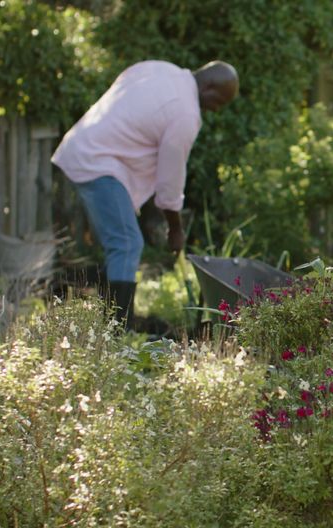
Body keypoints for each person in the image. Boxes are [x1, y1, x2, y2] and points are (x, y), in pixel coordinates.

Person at [52, 60, 239, 329]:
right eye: (219, 101)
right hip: (98, 162)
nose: (217, 109)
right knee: (127, 244)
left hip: (85, 148)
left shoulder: (159, 69)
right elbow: (170, 181)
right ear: (208, 86)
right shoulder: (186, 114)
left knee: (117, 244)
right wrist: (175, 229)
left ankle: (106, 319)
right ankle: (116, 330)